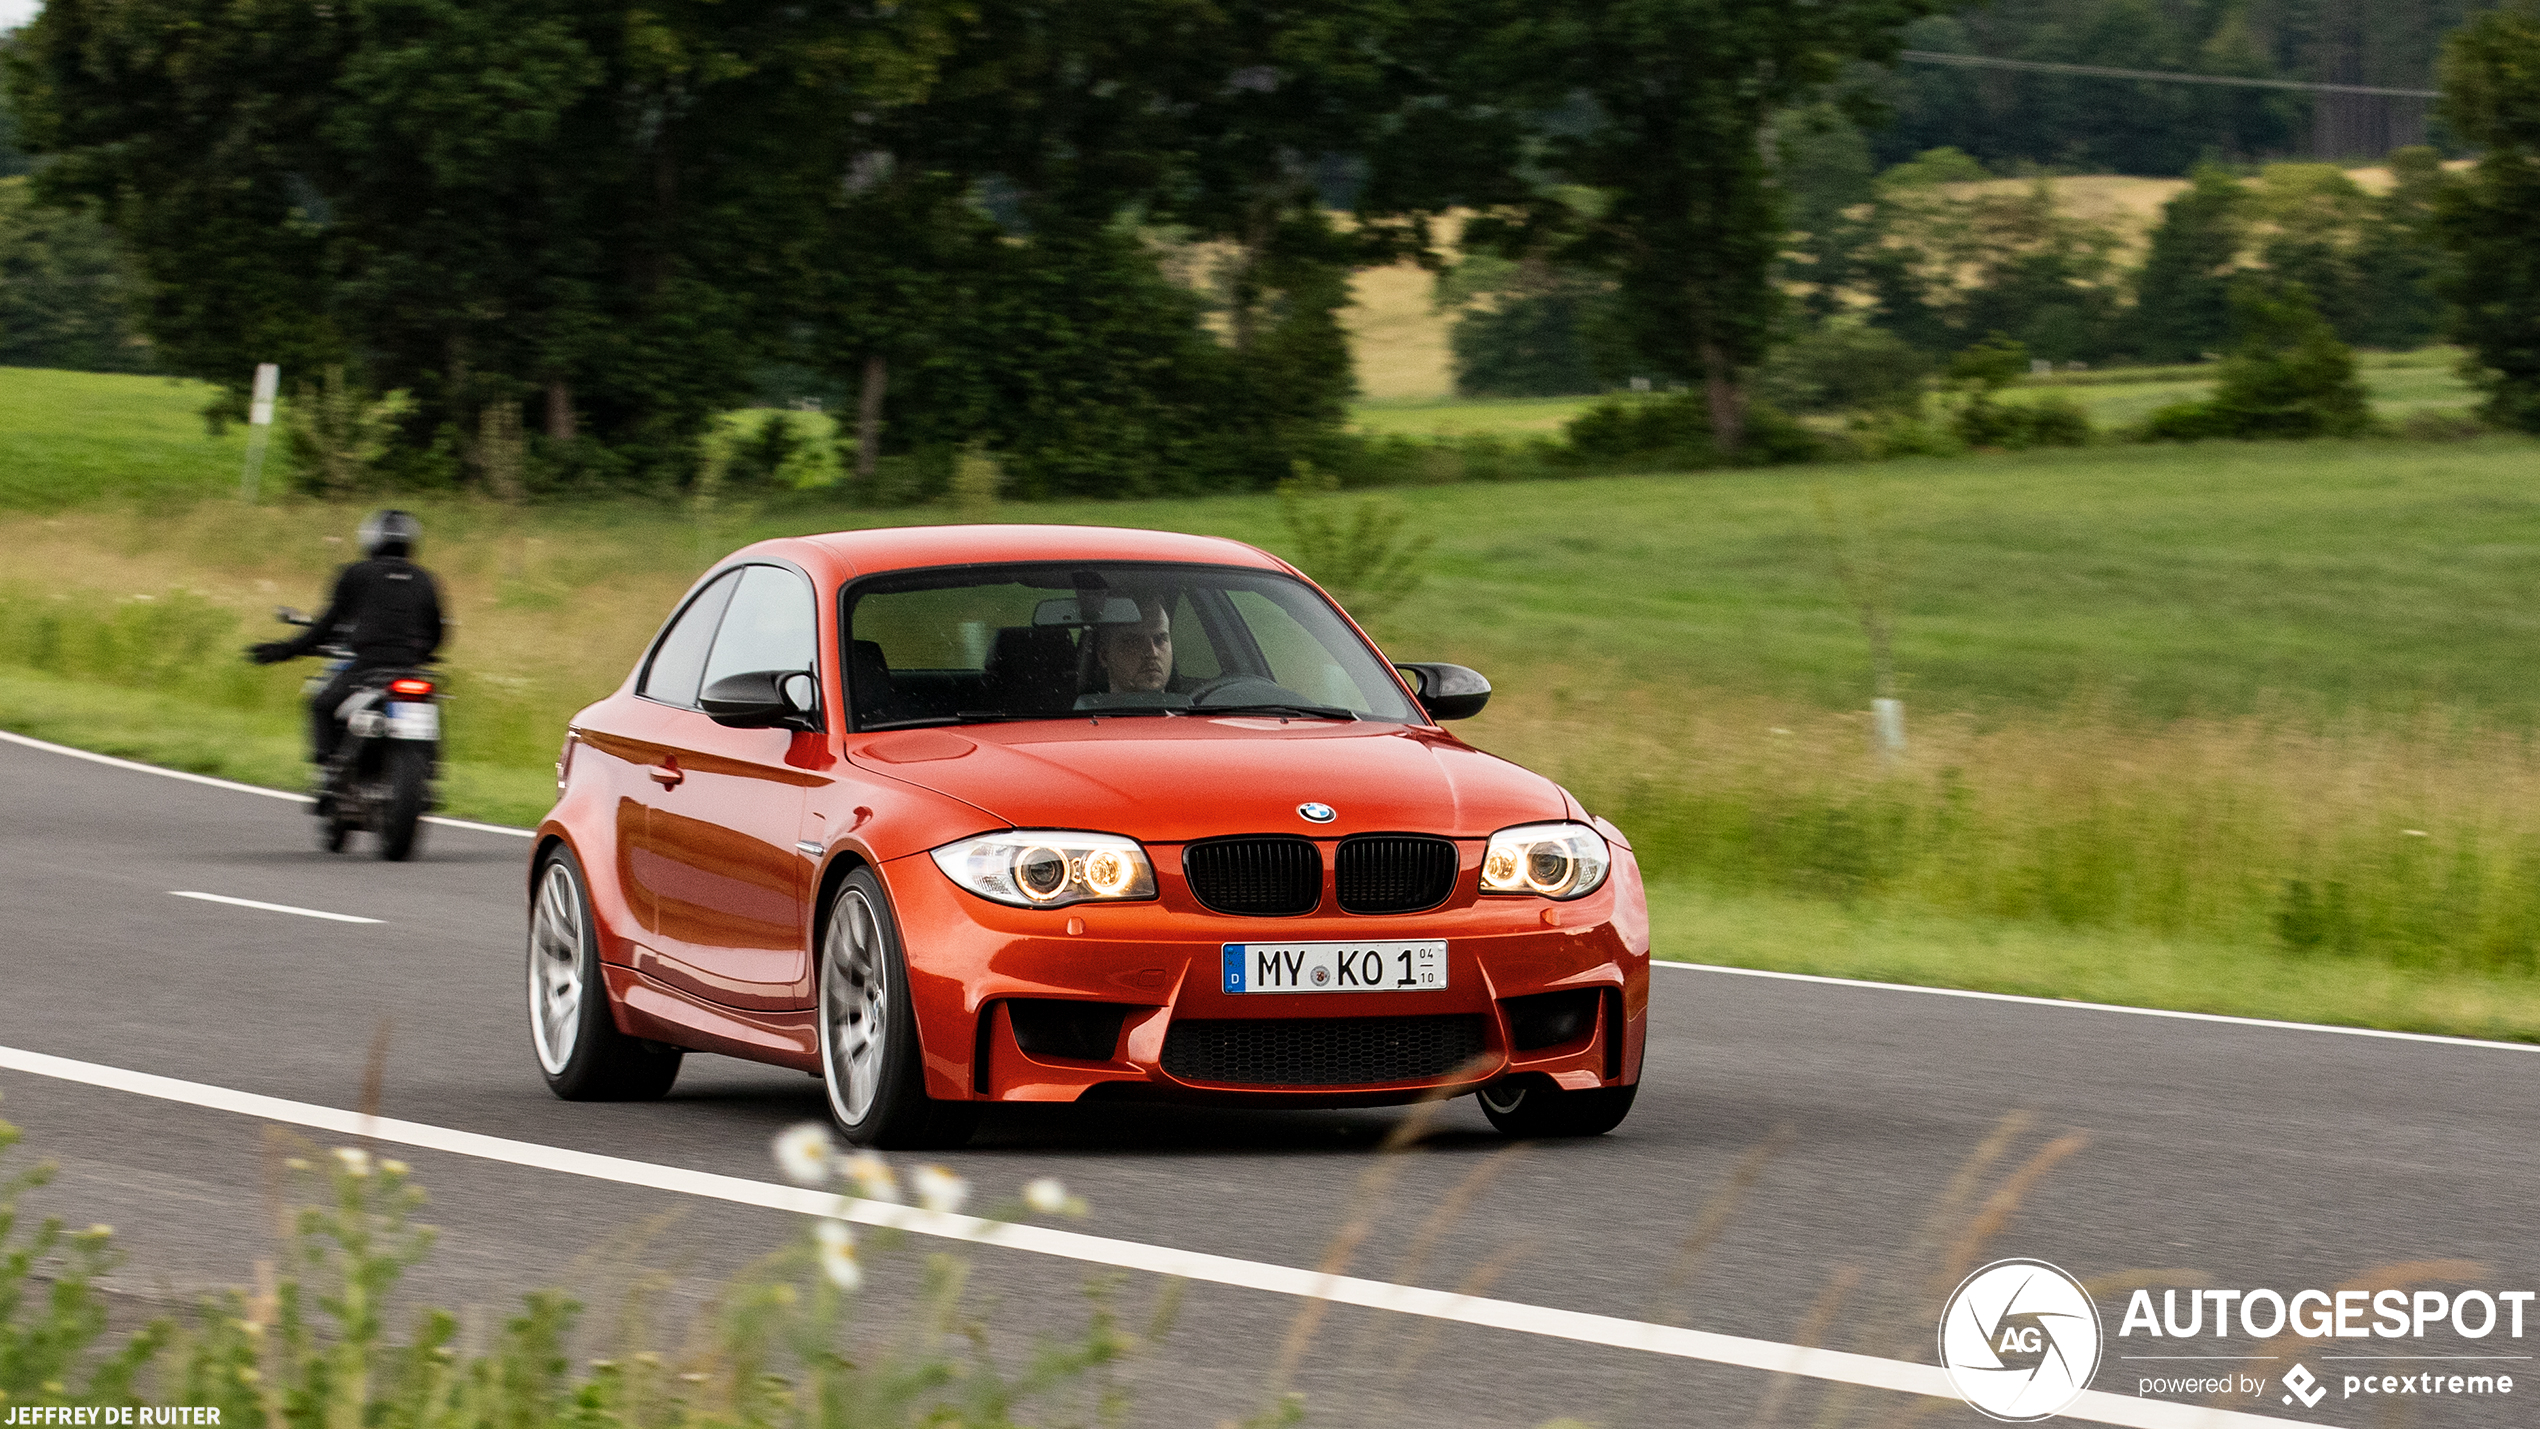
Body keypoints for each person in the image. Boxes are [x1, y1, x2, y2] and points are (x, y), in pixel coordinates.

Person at [247, 510, 447, 775]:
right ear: (411, 540)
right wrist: (420, 654)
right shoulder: (426, 579)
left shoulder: (356, 573)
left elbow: (324, 627)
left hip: (367, 666)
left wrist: (284, 650)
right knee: (432, 704)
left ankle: (330, 775)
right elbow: (437, 632)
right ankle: (430, 770)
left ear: (372, 539)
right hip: (409, 669)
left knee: (321, 704)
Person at [1089, 597, 1174, 694]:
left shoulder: (1192, 705)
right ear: (1104, 655)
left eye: (1159, 640)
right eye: (1134, 642)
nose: (1152, 652)